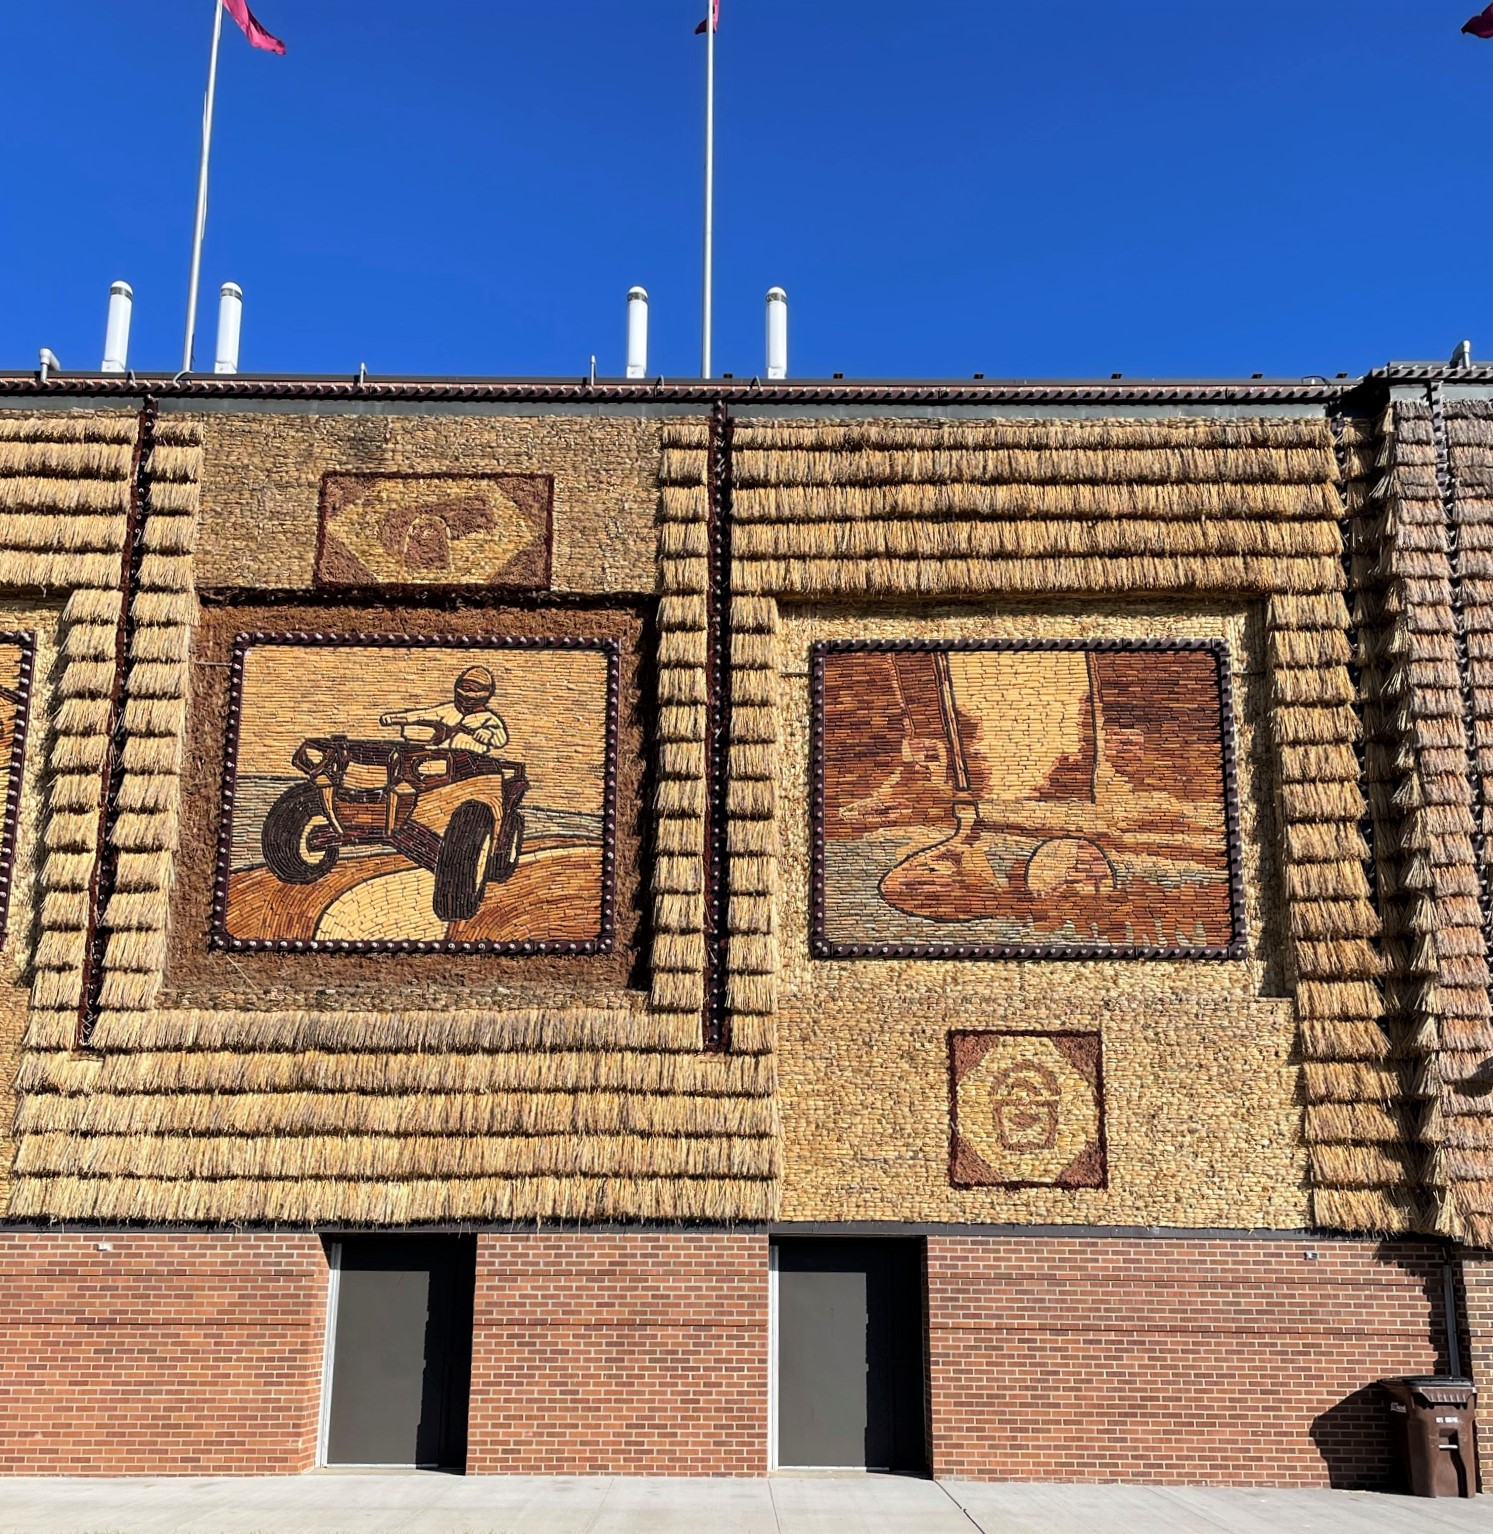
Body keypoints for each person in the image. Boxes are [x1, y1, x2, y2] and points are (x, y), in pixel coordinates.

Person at [379, 665, 509, 755]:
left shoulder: (488, 718)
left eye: (471, 689)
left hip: (470, 762)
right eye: (463, 687)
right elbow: (422, 715)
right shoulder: (448, 710)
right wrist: (393, 718)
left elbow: (500, 738)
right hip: (441, 760)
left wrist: (488, 735)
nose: (465, 693)